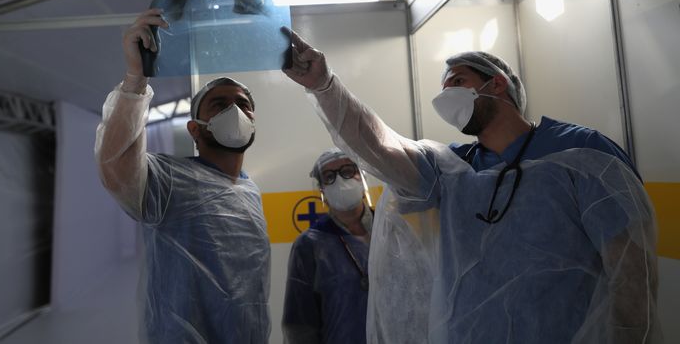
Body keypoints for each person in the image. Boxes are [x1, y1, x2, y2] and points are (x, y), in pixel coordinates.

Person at [281, 26, 660, 344]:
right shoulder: (451, 169)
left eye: (458, 82)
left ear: (496, 84)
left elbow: (631, 272)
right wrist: (324, 87)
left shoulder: (582, 152)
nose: (447, 96)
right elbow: (376, 143)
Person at [94, 8, 270, 344]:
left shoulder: (250, 191)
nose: (234, 110)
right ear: (194, 128)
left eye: (242, 103)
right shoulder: (168, 180)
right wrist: (136, 77)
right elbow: (115, 164)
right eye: (219, 104)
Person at [282, 148, 373, 344]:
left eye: (348, 171)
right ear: (322, 189)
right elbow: (299, 326)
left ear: (362, 175)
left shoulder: (390, 229)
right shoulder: (309, 245)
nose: (340, 181)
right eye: (329, 176)